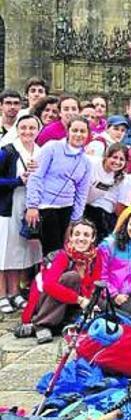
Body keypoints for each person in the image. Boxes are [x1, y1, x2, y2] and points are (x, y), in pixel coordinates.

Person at [17, 220, 103, 343]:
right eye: (77, 234)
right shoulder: (62, 256)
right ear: (71, 237)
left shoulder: (95, 258)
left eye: (86, 235)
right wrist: (80, 300)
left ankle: (52, 326)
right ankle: (40, 324)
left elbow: (94, 283)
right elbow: (48, 286)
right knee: (72, 277)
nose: (81, 238)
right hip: (44, 303)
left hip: (70, 303)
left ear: (93, 238)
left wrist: (90, 303)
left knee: (101, 305)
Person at [26, 117, 92, 254]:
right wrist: (32, 205)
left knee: (65, 250)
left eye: (82, 131)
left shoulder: (86, 161)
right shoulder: (52, 147)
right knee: (52, 251)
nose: (78, 134)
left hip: (67, 208)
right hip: (46, 207)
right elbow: (36, 176)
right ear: (68, 132)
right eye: (75, 130)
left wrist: (75, 219)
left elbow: (82, 191)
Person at [0, 114, 42, 312]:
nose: (27, 132)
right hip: (6, 206)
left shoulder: (40, 152)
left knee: (18, 250)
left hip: (26, 207)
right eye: (23, 127)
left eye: (32, 128)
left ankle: (14, 292)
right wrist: (18, 180)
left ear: (38, 130)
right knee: (2, 251)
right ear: (17, 130)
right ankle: (2, 293)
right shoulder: (7, 151)